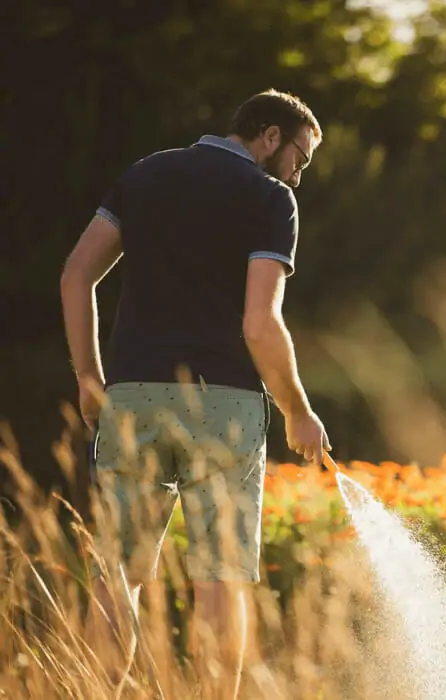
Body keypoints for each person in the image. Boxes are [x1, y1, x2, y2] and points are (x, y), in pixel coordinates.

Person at [60, 88, 330, 700]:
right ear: (268, 135)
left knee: (118, 577)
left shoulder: (145, 175)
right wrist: (297, 410)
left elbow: (77, 273)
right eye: (299, 156)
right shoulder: (270, 198)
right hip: (225, 405)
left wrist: (88, 375)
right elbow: (260, 325)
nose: (297, 171)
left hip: (129, 399)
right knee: (219, 580)